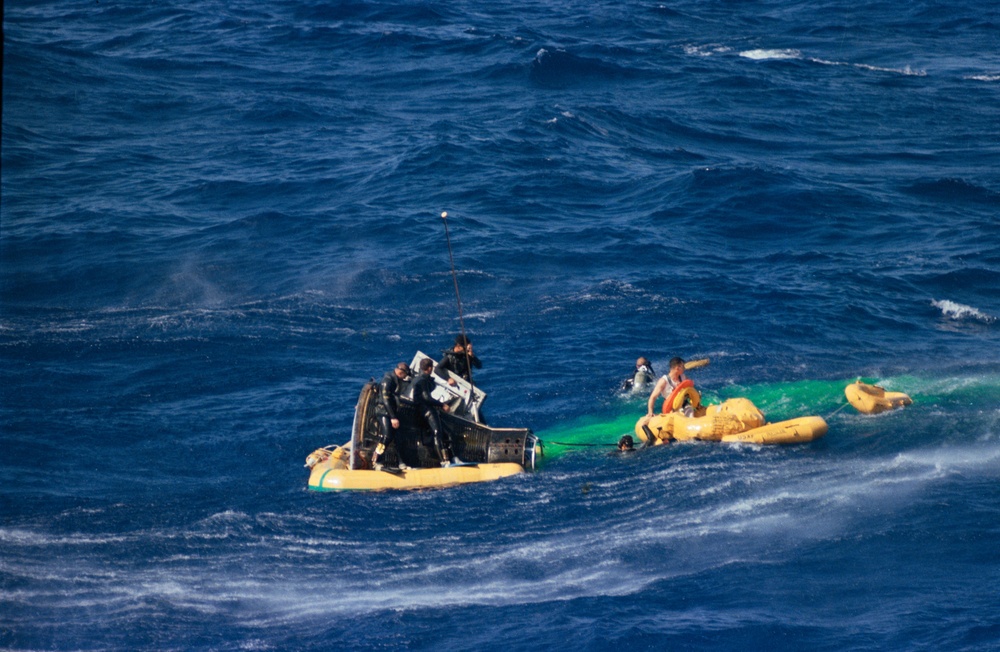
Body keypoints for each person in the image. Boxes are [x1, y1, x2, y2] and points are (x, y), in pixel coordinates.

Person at [412, 357, 461, 466]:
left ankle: (453, 458)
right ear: (430, 368)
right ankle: (444, 460)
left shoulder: (418, 379)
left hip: (423, 410)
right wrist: (442, 404)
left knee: (447, 433)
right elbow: (426, 398)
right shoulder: (423, 380)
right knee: (437, 433)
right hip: (426, 410)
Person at [370, 361, 412, 471]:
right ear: (400, 372)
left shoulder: (396, 379)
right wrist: (393, 417)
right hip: (384, 411)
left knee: (398, 437)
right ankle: (377, 460)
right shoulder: (388, 380)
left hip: (391, 411)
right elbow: (385, 400)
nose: (405, 377)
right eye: (405, 374)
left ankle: (401, 462)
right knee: (387, 435)